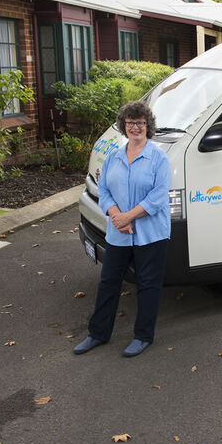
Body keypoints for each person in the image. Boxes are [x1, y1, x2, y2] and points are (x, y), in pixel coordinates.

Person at [73, 101, 172, 358]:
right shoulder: (114, 156)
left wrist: (128, 216)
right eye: (130, 123)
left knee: (148, 285)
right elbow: (103, 189)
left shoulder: (158, 158)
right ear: (124, 126)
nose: (135, 127)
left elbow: (158, 197)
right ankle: (97, 334)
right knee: (108, 282)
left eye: (140, 123)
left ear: (147, 126)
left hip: (151, 234)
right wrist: (117, 216)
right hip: (119, 232)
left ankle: (143, 336)